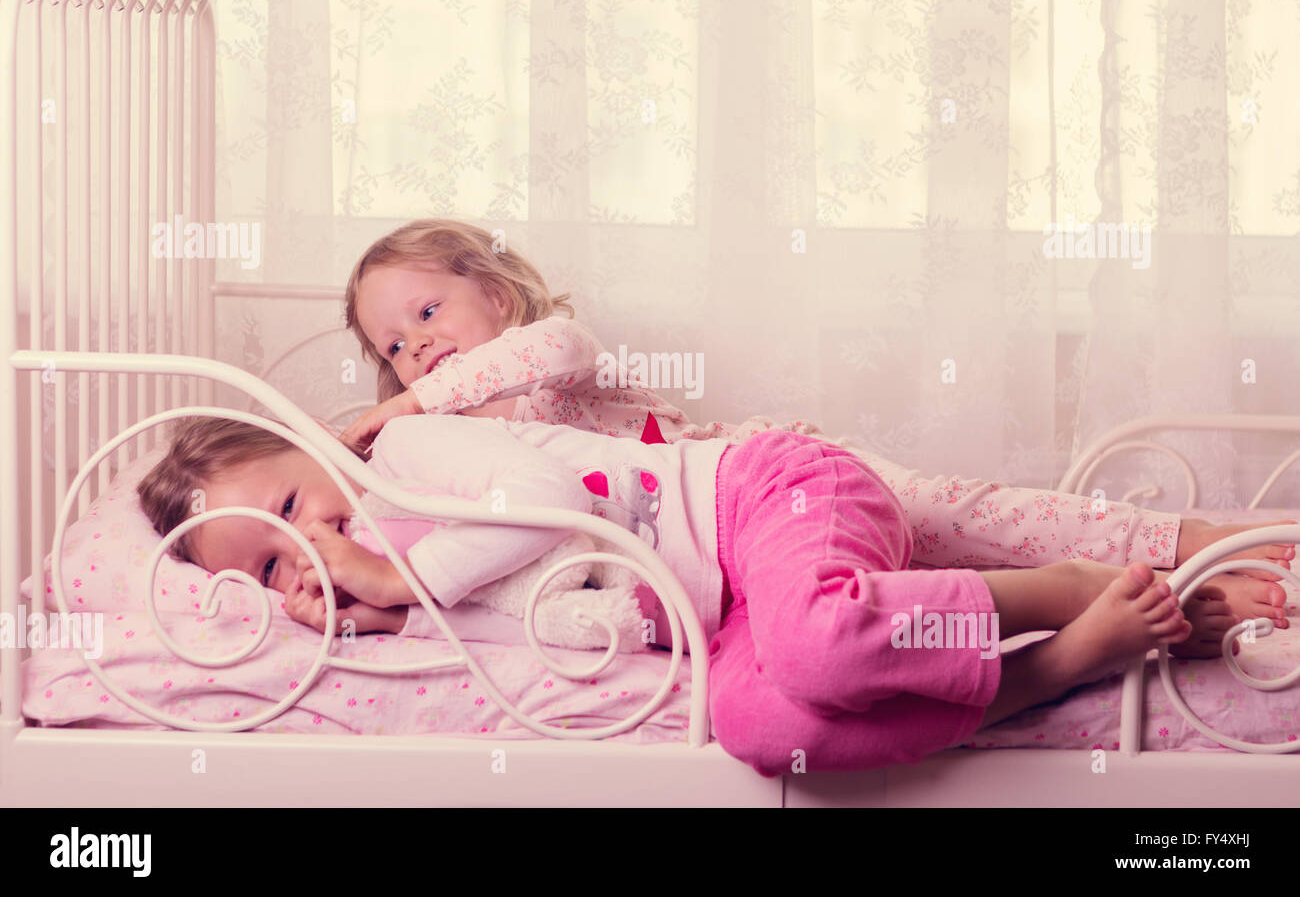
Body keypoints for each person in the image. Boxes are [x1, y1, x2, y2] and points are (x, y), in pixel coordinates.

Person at [138, 412, 1241, 775]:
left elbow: (543, 489)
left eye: (291, 500)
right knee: (767, 725)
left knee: (817, 637)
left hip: (758, 491)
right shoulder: (392, 599)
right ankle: (1064, 655)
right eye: (271, 563)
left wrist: (398, 569)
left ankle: (1053, 584)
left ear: (316, 445)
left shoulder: (412, 450)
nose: (308, 544)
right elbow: (567, 619)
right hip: (729, 608)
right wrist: (387, 606)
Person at [335, 218, 1295, 627]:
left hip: (778, 476)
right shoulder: (461, 442)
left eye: (428, 315)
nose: (417, 351)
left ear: (496, 293)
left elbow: (553, 354)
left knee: (973, 517)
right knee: (944, 591)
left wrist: (404, 404)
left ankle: (1220, 538)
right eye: (394, 347)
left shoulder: (539, 352)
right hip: (739, 546)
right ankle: (1190, 607)